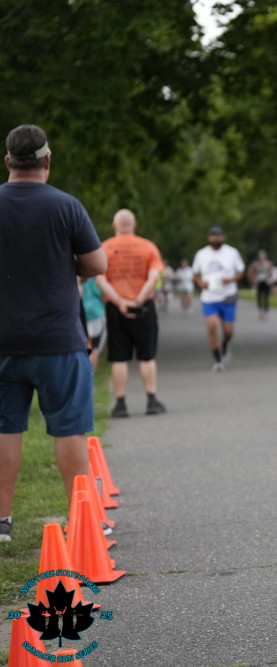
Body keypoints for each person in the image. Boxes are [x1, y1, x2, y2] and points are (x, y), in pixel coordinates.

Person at [0, 124, 107, 542]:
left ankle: (1, 521)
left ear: (8, 161)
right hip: (58, 340)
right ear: (47, 161)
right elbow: (97, 264)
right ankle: (82, 518)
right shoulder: (66, 206)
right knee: (69, 428)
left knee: (4, 428)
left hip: (3, 341)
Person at [95, 209, 167, 417]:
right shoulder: (148, 247)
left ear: (114, 226)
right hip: (144, 308)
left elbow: (101, 280)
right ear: (134, 226)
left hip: (115, 308)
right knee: (147, 356)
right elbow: (154, 277)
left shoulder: (105, 248)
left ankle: (120, 404)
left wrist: (119, 302)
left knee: (119, 357)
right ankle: (151, 400)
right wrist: (138, 300)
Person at [192, 225, 245, 371]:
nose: (216, 238)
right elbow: (195, 273)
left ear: (223, 237)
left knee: (228, 331)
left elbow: (241, 271)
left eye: (218, 235)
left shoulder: (232, 252)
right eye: (213, 235)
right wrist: (200, 283)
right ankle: (217, 358)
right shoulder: (201, 254)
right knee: (212, 326)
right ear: (209, 237)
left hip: (227, 295)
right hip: (209, 297)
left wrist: (230, 280)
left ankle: (225, 346)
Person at [80, 277, 106, 370]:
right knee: (93, 348)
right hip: (95, 312)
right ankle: (90, 376)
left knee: (86, 347)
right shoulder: (96, 275)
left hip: (80, 311)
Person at [247, 249, 275, 320]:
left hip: (266, 281)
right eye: (261, 256)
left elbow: (271, 272)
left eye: (263, 256)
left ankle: (265, 312)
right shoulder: (255, 264)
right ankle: (260, 311)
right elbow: (251, 272)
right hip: (259, 282)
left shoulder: (268, 263)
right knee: (259, 297)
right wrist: (254, 280)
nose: (262, 257)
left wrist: (270, 280)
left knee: (266, 297)